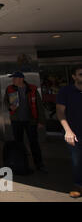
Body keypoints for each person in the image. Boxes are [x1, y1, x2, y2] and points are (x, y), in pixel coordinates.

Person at [4, 71, 47, 173]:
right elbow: (5, 101)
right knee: (18, 143)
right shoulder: (10, 89)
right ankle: (22, 163)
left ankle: (39, 164)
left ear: (21, 79)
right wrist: (10, 107)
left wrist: (41, 121)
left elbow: (39, 105)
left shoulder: (32, 89)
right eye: (12, 78)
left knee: (34, 143)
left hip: (30, 121)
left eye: (14, 78)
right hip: (16, 121)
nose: (13, 80)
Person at [56, 65, 82, 198]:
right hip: (74, 132)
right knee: (77, 159)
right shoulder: (66, 91)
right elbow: (60, 112)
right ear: (74, 77)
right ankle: (78, 185)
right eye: (80, 74)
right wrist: (68, 131)